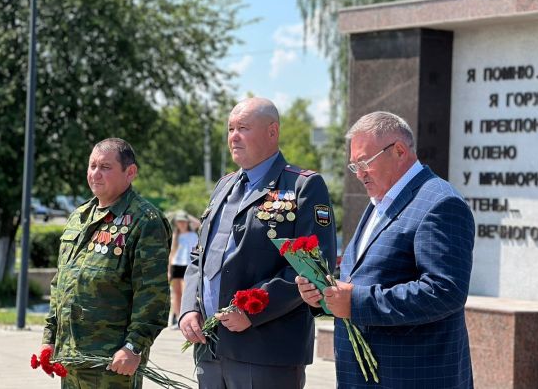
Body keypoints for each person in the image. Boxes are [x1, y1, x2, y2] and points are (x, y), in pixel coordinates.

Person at [296, 111, 475, 388]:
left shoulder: (439, 202)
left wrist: (355, 302)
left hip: (411, 376)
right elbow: (367, 273)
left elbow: (444, 292)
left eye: (364, 162)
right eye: (354, 166)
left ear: (399, 151)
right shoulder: (380, 200)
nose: (360, 174)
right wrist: (323, 294)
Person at [179, 97, 336, 389]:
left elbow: (313, 268)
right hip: (209, 347)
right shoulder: (224, 185)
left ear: (272, 132)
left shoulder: (303, 186)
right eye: (230, 129)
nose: (233, 136)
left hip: (265, 351)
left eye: (243, 128)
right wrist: (189, 307)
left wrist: (253, 309)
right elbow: (199, 256)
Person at [40, 138, 172, 388]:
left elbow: (152, 295)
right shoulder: (78, 217)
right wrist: (50, 338)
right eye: (92, 166)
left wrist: (134, 346)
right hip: (71, 358)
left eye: (105, 167)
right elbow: (61, 284)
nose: (95, 174)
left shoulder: (145, 221)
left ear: (130, 172)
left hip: (113, 363)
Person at [169, 211, 200, 327]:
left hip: (188, 265)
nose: (181, 224)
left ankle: (183, 317)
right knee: (176, 293)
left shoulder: (194, 234)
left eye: (183, 221)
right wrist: (168, 270)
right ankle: (177, 319)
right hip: (176, 265)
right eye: (179, 222)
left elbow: (198, 223)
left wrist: (186, 215)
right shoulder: (176, 235)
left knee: (185, 293)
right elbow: (171, 254)